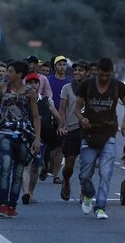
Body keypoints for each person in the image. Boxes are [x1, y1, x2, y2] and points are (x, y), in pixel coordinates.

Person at [74, 58, 125, 219]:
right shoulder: (87, 85)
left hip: (108, 134)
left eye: (107, 75)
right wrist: (81, 118)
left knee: (106, 173)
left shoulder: (117, 86)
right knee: (85, 174)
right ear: (96, 71)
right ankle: (87, 194)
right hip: (89, 133)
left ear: (111, 73)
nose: (104, 78)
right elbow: (77, 107)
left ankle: (100, 207)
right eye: (101, 74)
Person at [0, 60, 41, 218]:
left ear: (19, 74)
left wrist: (37, 139)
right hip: (5, 132)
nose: (7, 73)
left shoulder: (29, 93)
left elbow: (35, 116)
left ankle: (12, 206)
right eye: (7, 70)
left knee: (18, 171)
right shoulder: (3, 87)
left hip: (23, 134)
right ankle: (2, 204)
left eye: (11, 71)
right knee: (5, 167)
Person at [21, 73, 62, 204]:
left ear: (39, 85)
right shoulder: (20, 99)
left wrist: (61, 126)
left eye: (35, 82)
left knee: (35, 167)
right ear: (25, 84)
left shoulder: (46, 100)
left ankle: (31, 192)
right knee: (25, 165)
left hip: (41, 139)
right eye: (29, 82)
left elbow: (57, 115)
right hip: (24, 137)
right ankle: (26, 192)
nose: (33, 85)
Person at [57, 60, 90, 201]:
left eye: (81, 70)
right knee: (69, 164)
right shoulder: (67, 88)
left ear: (87, 72)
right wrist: (61, 124)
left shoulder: (92, 88)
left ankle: (84, 190)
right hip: (71, 129)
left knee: (87, 163)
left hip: (87, 130)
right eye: (75, 70)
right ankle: (66, 181)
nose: (77, 73)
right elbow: (62, 109)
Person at [44, 55, 70, 184]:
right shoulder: (48, 80)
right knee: (47, 147)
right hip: (48, 117)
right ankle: (44, 166)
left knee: (60, 147)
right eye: (59, 64)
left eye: (64, 64)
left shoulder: (70, 82)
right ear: (54, 67)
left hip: (63, 118)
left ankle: (55, 175)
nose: (62, 67)